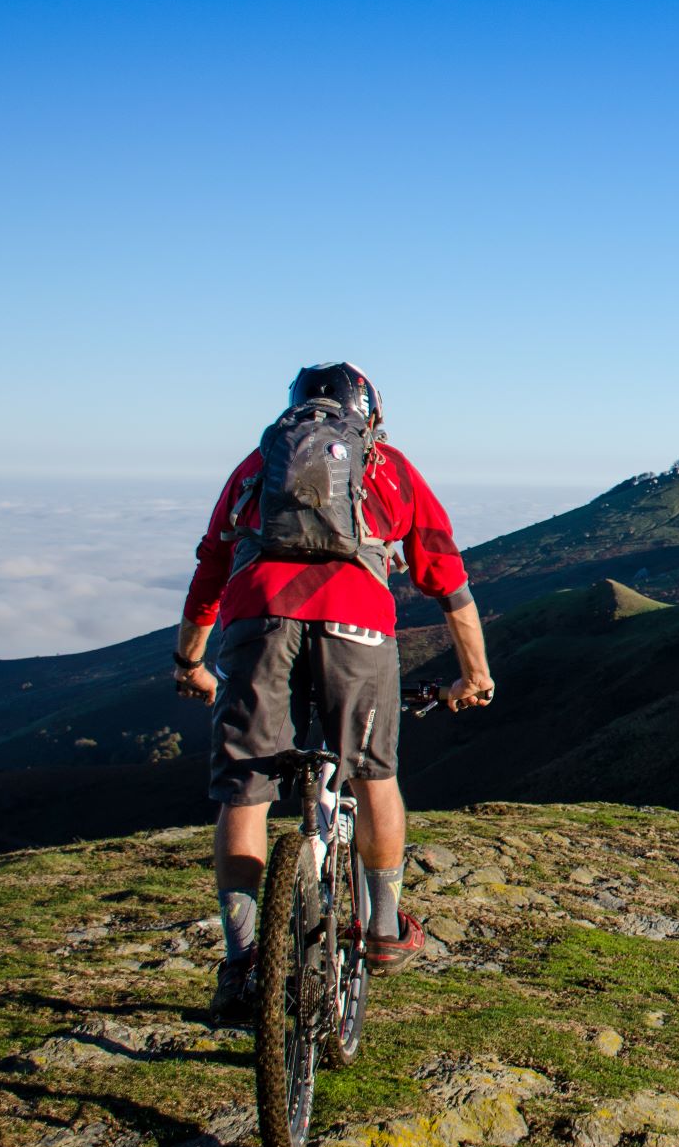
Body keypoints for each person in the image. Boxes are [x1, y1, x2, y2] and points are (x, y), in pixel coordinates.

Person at [173, 363, 494, 1024]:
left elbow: (211, 565)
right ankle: (381, 930)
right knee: (375, 775)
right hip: (358, 626)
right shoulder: (387, 467)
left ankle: (240, 966)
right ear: (369, 414)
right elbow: (449, 582)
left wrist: (191, 661)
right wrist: (475, 674)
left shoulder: (256, 468)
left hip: (255, 621)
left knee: (248, 788)